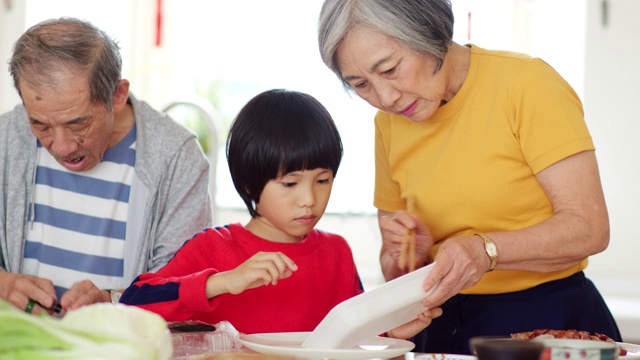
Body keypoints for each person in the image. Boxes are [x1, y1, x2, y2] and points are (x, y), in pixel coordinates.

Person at [317, 0, 621, 354]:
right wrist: (405, 257)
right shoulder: (387, 124)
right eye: (360, 85)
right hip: (442, 323)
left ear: (430, 31)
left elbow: (590, 227)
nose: (385, 97)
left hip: (548, 316)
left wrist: (485, 250)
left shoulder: (526, 84)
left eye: (389, 69)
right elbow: (395, 266)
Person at [120, 89, 440, 337]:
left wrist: (391, 332)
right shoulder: (212, 248)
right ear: (249, 183)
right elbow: (132, 304)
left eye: (323, 180)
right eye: (290, 184)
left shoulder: (335, 253)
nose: (309, 200)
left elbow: (351, 338)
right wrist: (223, 282)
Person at [0, 18, 211, 315]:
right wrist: (4, 284)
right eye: (41, 124)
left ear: (118, 95)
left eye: (78, 123)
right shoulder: (6, 139)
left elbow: (185, 288)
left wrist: (115, 301)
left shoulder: (176, 160)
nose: (61, 148)